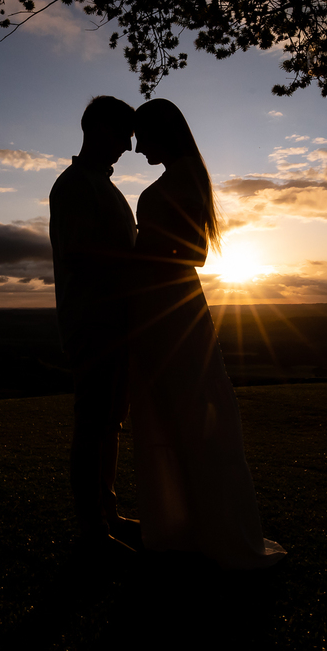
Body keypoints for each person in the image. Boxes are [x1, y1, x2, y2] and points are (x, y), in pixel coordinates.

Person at [129, 98, 286, 570]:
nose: (136, 148)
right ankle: (184, 524)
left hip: (171, 306)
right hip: (157, 305)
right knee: (168, 414)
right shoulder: (179, 177)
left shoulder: (182, 179)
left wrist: (137, 252)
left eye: (142, 137)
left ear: (162, 134)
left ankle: (217, 531)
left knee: (194, 412)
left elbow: (194, 251)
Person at [49, 95, 141, 556]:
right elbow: (79, 255)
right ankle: (92, 529)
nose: (129, 146)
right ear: (101, 129)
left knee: (111, 424)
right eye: (124, 134)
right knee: (92, 425)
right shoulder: (72, 186)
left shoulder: (105, 187)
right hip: (92, 322)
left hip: (118, 324)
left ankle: (108, 513)